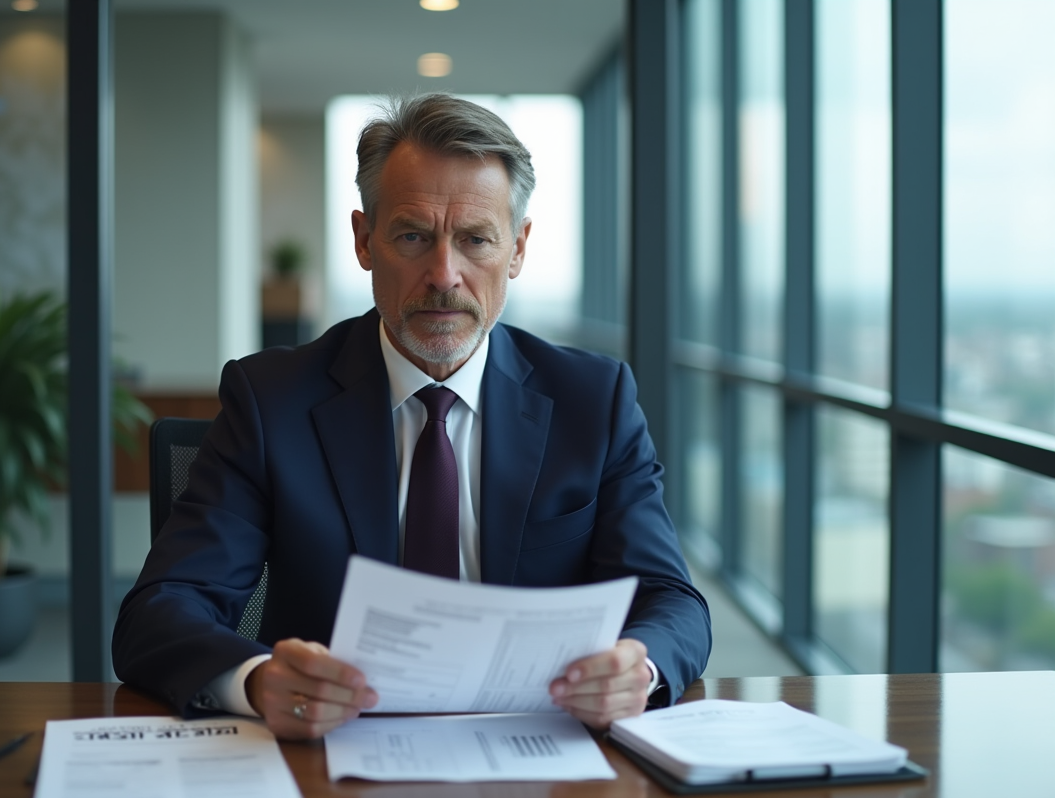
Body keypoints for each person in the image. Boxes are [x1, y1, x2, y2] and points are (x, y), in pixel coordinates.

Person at [113, 93, 711, 740]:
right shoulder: (270, 400)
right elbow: (160, 613)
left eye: (476, 239)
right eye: (412, 236)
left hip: (543, 752)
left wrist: (639, 667)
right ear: (365, 240)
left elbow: (671, 600)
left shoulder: (594, 401)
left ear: (517, 250)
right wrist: (257, 679)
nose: (443, 274)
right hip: (330, 751)